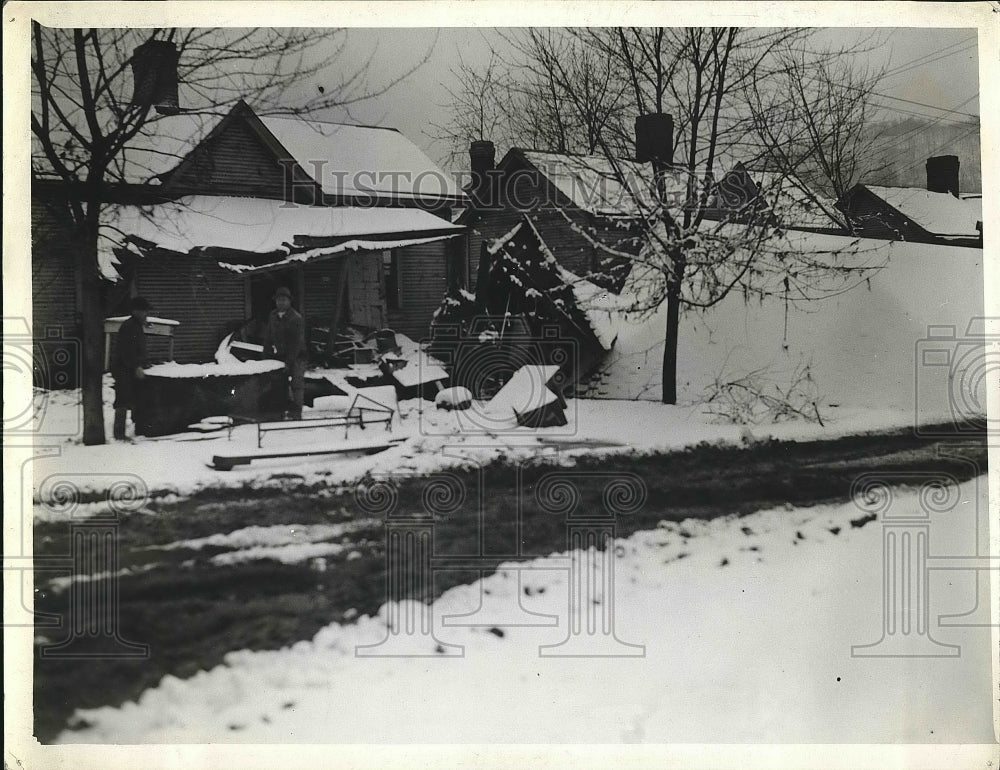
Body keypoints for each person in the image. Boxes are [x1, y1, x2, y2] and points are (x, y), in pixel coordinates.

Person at [261, 286, 306, 419]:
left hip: (298, 356)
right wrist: (265, 357)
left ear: (289, 301)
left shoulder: (296, 318)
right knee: (280, 383)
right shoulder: (273, 316)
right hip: (280, 355)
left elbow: (296, 344)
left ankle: (296, 414)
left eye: (284, 300)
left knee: (296, 384)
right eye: (278, 300)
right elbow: (268, 337)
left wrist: (289, 362)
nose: (281, 303)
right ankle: (280, 412)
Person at [112, 296, 151, 441]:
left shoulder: (136, 325)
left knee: (133, 397)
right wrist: (136, 367)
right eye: (144, 311)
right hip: (124, 368)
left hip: (128, 367)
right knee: (122, 399)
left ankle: (137, 428)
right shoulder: (130, 326)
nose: (146, 314)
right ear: (136, 311)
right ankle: (119, 433)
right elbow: (127, 351)